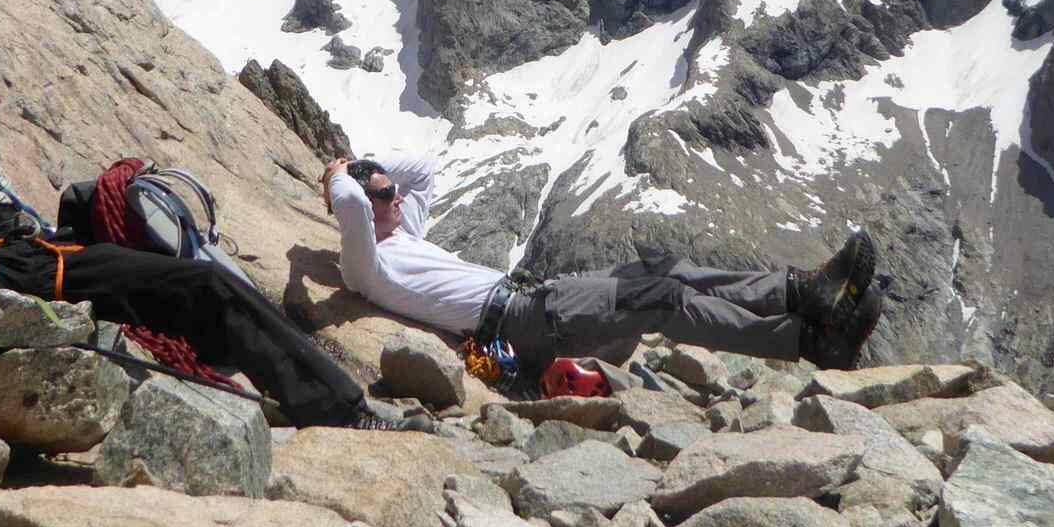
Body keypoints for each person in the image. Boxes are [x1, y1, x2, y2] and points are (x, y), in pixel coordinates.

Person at [0, 0, 375, 428]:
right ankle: (343, 411)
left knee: (180, 268)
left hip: (37, 248)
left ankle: (250, 361)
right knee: (205, 285)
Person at [321, 151, 885, 375]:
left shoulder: (402, 229)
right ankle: (811, 345)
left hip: (535, 300)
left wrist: (370, 166)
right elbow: (349, 205)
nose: (398, 196)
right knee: (659, 300)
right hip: (521, 322)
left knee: (662, 269)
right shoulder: (367, 266)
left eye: (393, 190)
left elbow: (423, 169)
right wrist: (337, 175)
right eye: (385, 194)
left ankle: (800, 295)